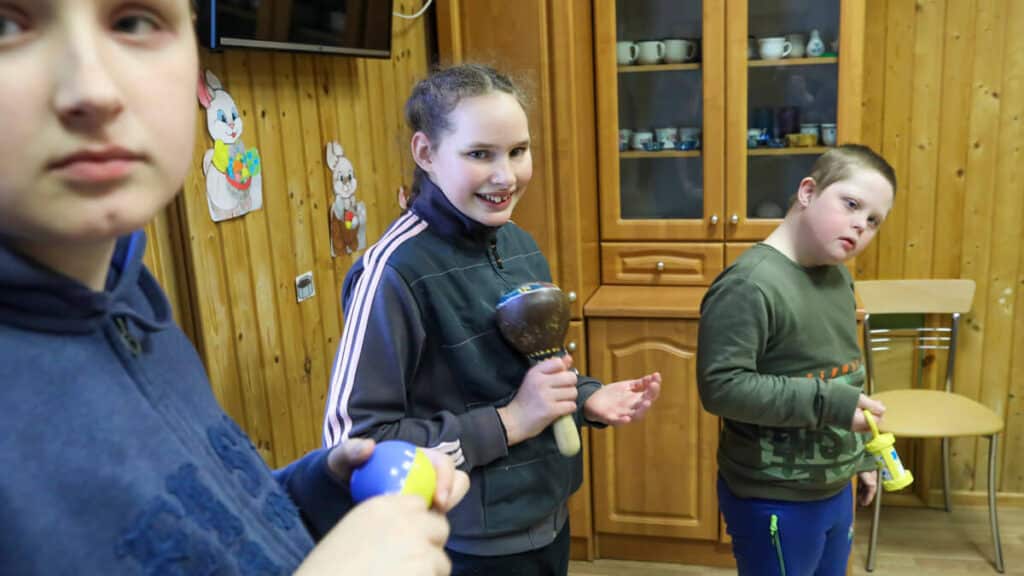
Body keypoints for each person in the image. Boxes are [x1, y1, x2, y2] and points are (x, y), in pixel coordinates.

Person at [0, 1, 468, 574]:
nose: (94, 91)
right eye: (7, 24)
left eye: (135, 21)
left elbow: (197, 535)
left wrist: (322, 494)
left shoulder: (130, 299)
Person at [321, 63, 662, 575]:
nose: (506, 176)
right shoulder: (392, 272)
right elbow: (355, 447)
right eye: (480, 154)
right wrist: (510, 422)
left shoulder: (518, 242)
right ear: (426, 153)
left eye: (518, 151)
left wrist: (586, 396)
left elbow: (530, 367)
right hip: (464, 546)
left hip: (546, 517)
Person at [697, 144, 896, 575]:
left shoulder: (838, 276)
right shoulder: (749, 285)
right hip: (773, 496)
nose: (861, 225)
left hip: (834, 487)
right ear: (808, 192)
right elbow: (722, 388)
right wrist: (831, 405)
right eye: (852, 204)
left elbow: (848, 376)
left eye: (874, 220)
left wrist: (863, 457)